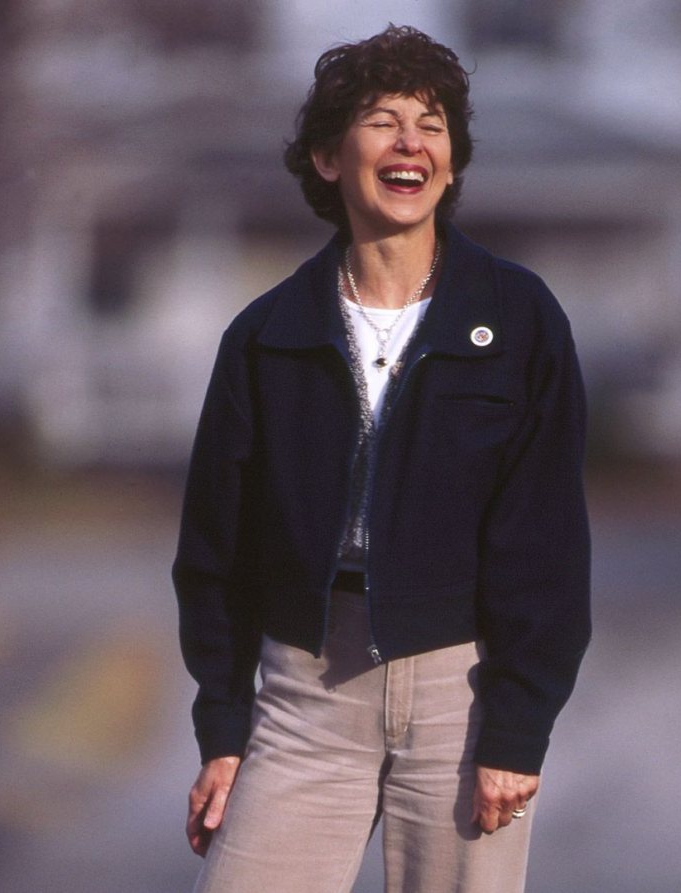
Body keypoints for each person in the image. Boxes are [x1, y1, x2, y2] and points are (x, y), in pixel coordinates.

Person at [173, 24, 590, 893]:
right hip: (304, 697)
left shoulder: (519, 319)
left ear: (451, 159)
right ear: (330, 157)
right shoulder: (265, 338)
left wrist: (516, 731)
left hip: (461, 700)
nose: (411, 142)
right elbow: (215, 555)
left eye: (432, 124)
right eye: (383, 120)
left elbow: (546, 543)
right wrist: (223, 724)